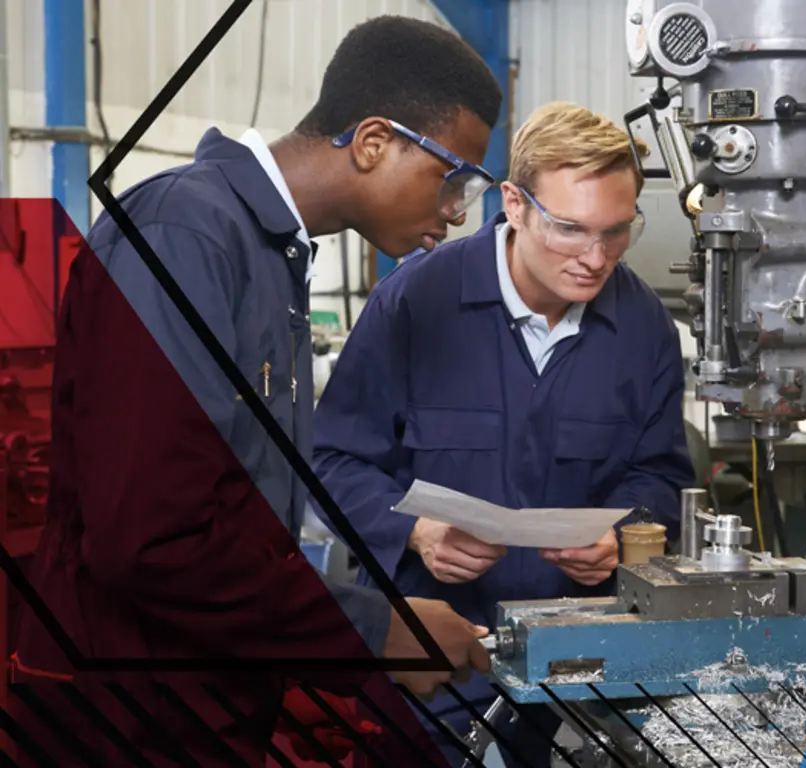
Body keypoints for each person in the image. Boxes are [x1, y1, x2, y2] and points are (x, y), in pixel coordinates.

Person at [10, 15, 503, 767]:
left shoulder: (272, 255)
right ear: (374, 142)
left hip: (202, 703)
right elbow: (148, 540)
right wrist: (375, 628)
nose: (459, 211)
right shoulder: (187, 233)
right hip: (119, 718)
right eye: (453, 177)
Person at [312, 101, 696, 765]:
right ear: (514, 204)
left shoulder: (645, 329)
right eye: (571, 230)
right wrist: (417, 530)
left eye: (617, 231)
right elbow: (333, 460)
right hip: (432, 678)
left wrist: (621, 538)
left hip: (582, 680)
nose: (596, 257)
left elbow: (661, 477)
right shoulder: (415, 303)